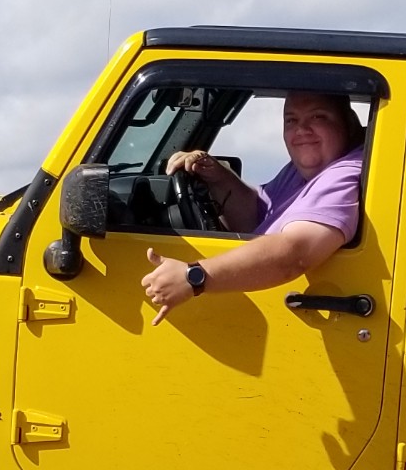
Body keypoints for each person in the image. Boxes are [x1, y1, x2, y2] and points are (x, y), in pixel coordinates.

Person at [141, 91, 365, 324]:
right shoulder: (307, 171)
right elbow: (258, 216)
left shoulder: (346, 174)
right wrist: (217, 175)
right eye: (291, 120)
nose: (301, 130)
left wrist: (193, 277)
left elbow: (294, 253)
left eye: (318, 117)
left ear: (349, 123)